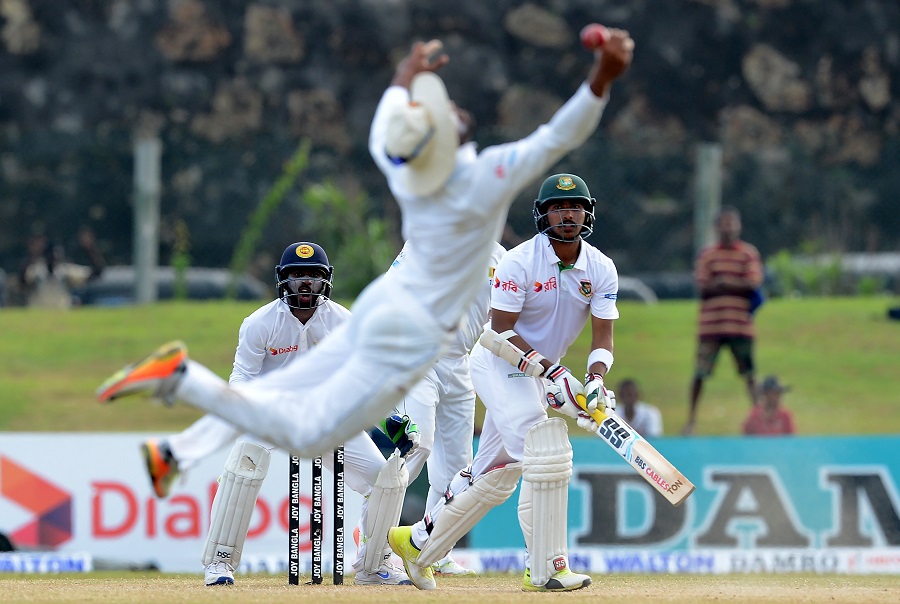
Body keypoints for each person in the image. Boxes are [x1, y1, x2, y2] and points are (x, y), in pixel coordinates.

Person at [95, 26, 634, 573]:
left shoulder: (406, 169)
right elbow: (557, 134)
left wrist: (405, 75)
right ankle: (183, 381)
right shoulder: (487, 177)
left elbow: (388, 119)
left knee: (282, 391)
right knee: (308, 432)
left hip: (382, 308)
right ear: (456, 140)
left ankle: (175, 441)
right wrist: (603, 75)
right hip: (414, 336)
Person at [388, 172, 620, 592]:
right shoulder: (518, 261)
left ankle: (417, 542)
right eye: (557, 208)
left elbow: (602, 339)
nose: (567, 215)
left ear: (588, 213)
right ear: (543, 215)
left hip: (537, 371)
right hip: (497, 362)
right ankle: (546, 567)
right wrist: (553, 374)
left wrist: (595, 382)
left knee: (497, 472)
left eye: (575, 208)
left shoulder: (601, 268)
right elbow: (498, 332)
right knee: (544, 444)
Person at [140, 242, 416, 587]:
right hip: (270, 414)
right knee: (244, 464)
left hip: (326, 416)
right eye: (297, 275)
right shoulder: (260, 323)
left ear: (326, 281)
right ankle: (219, 563)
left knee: (385, 479)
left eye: (313, 276)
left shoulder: (344, 322)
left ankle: (373, 566)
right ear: (282, 281)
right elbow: (241, 378)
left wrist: (391, 419)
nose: (305, 283)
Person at [389, 240, 506, 577]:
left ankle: (434, 551)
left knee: (457, 468)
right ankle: (373, 540)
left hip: (461, 363)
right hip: (420, 357)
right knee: (417, 445)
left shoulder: (502, 258)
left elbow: (503, 319)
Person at [682, 206, 763, 435]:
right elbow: (703, 285)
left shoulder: (748, 253)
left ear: (739, 226)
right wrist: (736, 284)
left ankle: (759, 420)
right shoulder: (708, 254)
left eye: (732, 223)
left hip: (740, 326)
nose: (728, 228)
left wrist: (723, 282)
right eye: (724, 223)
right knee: (700, 374)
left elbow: (754, 283)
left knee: (749, 374)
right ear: (717, 227)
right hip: (712, 327)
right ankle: (691, 421)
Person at [18, 228, 105, 308]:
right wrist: (33, 254)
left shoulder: (66, 271)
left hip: (62, 316)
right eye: (50, 254)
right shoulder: (35, 271)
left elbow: (96, 273)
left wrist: (91, 249)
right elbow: (22, 282)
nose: (52, 257)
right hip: (39, 316)